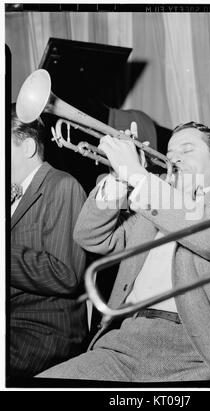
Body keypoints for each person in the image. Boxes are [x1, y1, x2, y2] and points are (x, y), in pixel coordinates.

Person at [37, 121, 210, 381]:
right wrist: (119, 177)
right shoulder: (150, 209)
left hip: (204, 353)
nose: (176, 160)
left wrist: (140, 177)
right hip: (124, 343)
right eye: (171, 155)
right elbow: (90, 237)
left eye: (187, 150)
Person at [10, 104, 89, 378]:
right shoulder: (11, 195)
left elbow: (65, 274)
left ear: (28, 147)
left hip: (45, 331)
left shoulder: (62, 185)